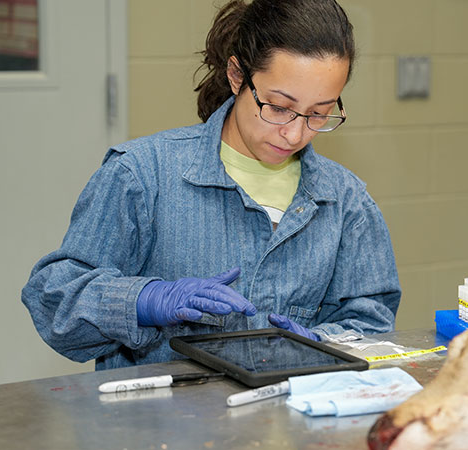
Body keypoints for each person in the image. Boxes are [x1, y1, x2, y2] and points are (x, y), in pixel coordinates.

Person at [22, 0, 401, 370]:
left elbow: (369, 320)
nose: (294, 133)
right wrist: (143, 300)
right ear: (237, 76)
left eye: (319, 113)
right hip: (159, 428)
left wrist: (322, 344)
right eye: (279, 106)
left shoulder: (345, 199)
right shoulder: (142, 174)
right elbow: (54, 297)